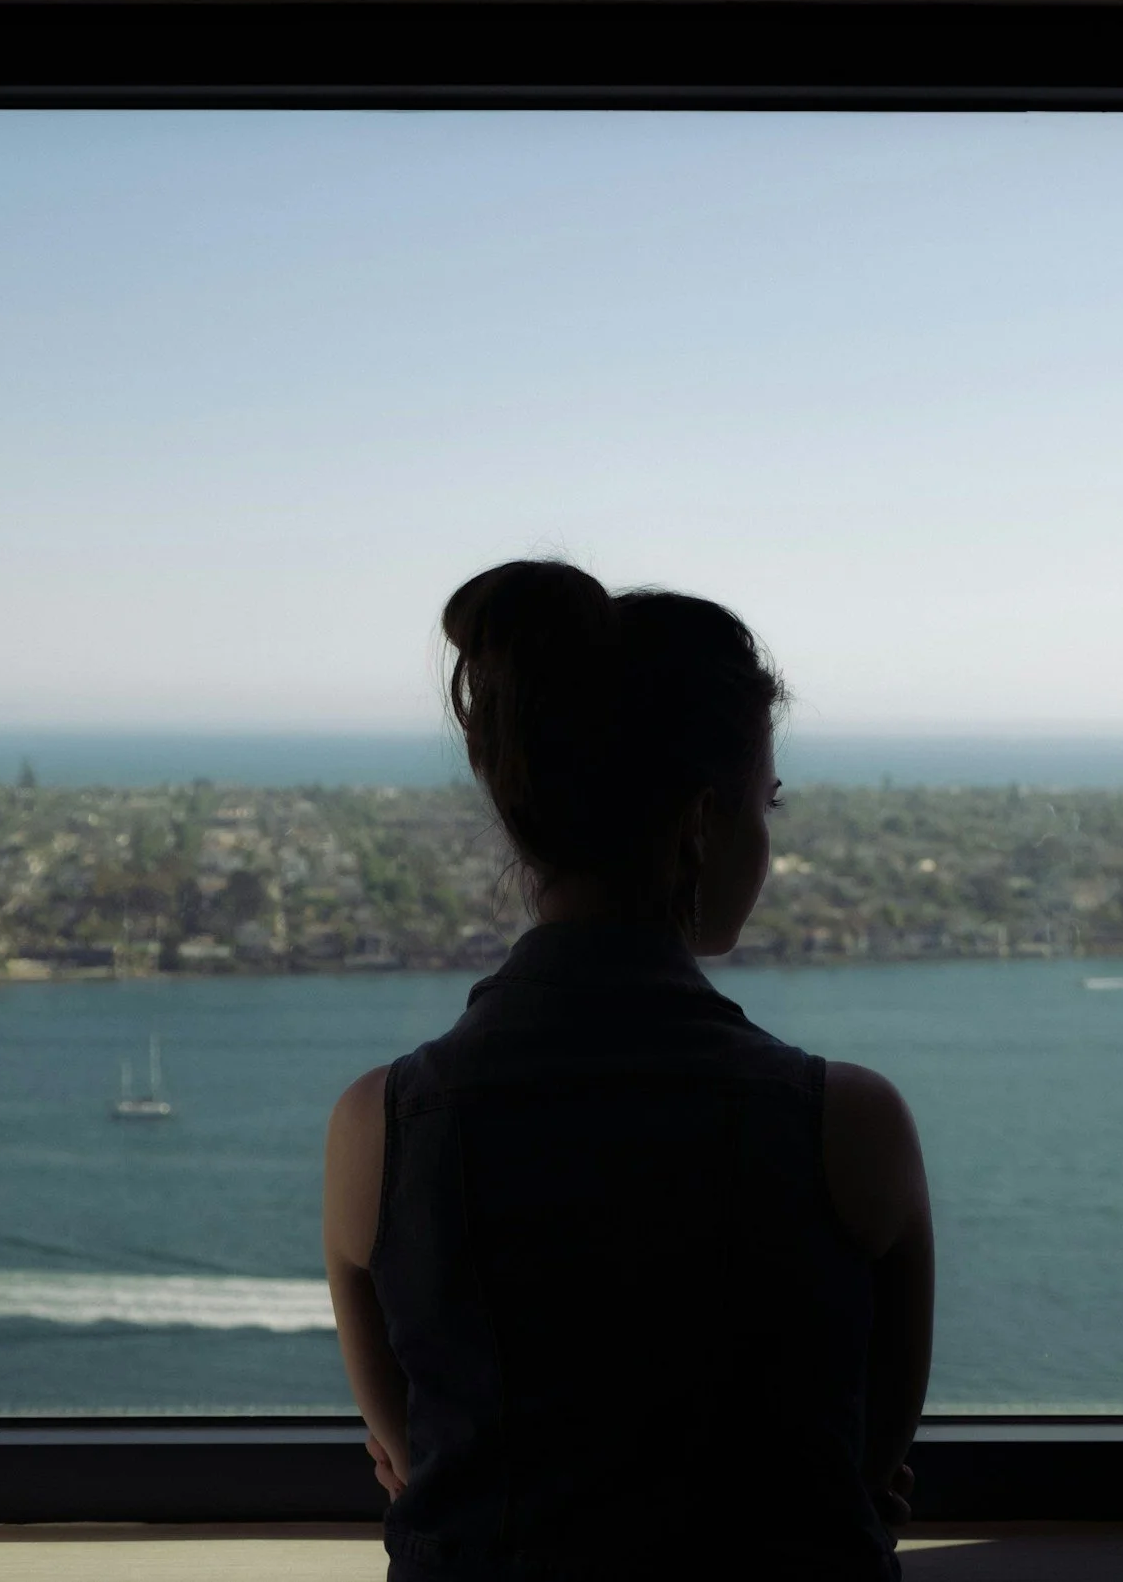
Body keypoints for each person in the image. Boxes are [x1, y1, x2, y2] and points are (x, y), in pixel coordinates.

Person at [323, 559, 935, 1581]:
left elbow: (424, 1465)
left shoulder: (378, 1127)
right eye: (764, 802)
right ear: (700, 821)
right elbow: (864, 1468)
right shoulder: (851, 1126)